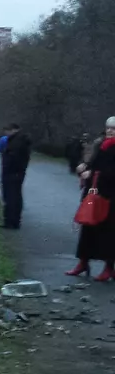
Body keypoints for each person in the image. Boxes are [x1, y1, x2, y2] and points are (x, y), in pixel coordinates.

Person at [67, 118, 115, 280]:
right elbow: (95, 164)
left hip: (109, 195)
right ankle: (83, 262)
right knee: (88, 227)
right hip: (93, 193)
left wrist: (94, 174)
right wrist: (85, 167)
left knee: (108, 232)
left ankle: (109, 267)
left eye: (113, 129)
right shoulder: (100, 144)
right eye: (108, 128)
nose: (110, 131)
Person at [0, 123, 32, 229]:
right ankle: (14, 221)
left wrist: (8, 170)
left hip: (12, 173)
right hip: (17, 173)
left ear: (13, 130)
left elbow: (13, 158)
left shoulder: (16, 142)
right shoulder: (19, 140)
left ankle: (10, 221)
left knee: (11, 197)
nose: (5, 133)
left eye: (7, 130)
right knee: (15, 197)